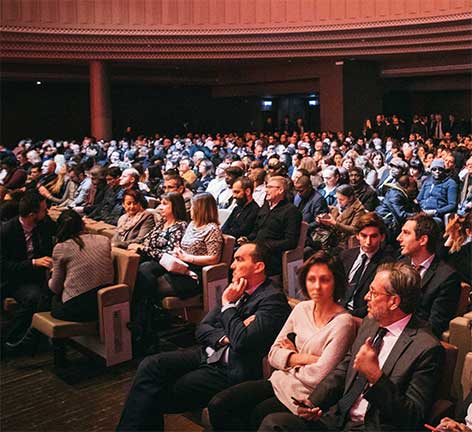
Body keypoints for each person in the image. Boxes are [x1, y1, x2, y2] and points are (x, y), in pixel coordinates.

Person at [116, 242, 291, 431]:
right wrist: (228, 335)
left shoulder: (272, 300)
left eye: (239, 260)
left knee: (156, 393)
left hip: (230, 368)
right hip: (207, 353)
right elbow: (202, 328)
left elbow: (242, 342)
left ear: (259, 266)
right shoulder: (236, 290)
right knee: (150, 365)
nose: (232, 265)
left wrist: (228, 306)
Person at [259, 262, 443, 432]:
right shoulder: (371, 323)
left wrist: (375, 377)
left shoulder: (426, 348)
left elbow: (412, 417)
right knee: (273, 423)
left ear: (393, 302)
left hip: (373, 427)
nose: (366, 297)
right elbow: (344, 368)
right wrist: (314, 402)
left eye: (373, 293)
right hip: (337, 419)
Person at [208, 251, 357, 431]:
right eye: (311, 280)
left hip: (305, 396)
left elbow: (319, 376)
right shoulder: (302, 308)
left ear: (336, 283)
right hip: (278, 381)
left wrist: (289, 358)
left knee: (257, 414)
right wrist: (305, 358)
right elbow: (272, 354)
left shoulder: (344, 322)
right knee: (219, 403)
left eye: (324, 280)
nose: (317, 286)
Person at [127, 193, 189, 351]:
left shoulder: (180, 226)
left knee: (143, 271)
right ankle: (143, 322)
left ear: (175, 206)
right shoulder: (161, 223)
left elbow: (169, 253)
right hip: (150, 261)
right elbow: (146, 240)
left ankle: (142, 325)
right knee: (138, 270)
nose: (161, 207)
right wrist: (140, 247)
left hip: (165, 264)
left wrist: (143, 249)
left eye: (165, 204)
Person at [1, 191, 55, 348]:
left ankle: (40, 337)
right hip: (15, 279)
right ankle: (10, 341)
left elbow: (59, 232)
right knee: (34, 298)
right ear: (32, 215)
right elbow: (4, 267)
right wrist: (33, 263)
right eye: (44, 210)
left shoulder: (44, 223)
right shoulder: (6, 232)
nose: (47, 213)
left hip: (38, 276)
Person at [397, 213, 461, 337]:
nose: (399, 238)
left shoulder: (447, 277)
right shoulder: (400, 264)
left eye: (406, 233)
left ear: (423, 240)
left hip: (414, 338)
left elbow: (435, 325)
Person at [48, 210, 114, 321]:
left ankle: (36, 335)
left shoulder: (61, 248)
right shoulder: (104, 240)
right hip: (105, 302)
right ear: (82, 224)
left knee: (47, 298)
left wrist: (51, 272)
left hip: (78, 308)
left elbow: (55, 287)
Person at [246, 176, 302, 279]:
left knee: (245, 263)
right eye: (266, 187)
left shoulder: (291, 211)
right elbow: (256, 229)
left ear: (280, 190)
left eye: (270, 187)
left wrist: (266, 245)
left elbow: (291, 242)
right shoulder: (266, 206)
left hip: (273, 255)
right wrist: (248, 239)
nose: (266, 190)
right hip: (257, 248)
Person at [339, 213, 394, 317]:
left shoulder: (387, 265)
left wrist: (346, 315)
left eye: (373, 236)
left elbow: (378, 301)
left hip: (360, 317)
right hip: (336, 309)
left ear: (382, 237)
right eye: (364, 236)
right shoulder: (345, 256)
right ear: (357, 235)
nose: (368, 242)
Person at [316, 184, 366, 250]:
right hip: (330, 237)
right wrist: (322, 220)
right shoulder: (336, 206)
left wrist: (335, 223)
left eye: (341, 199)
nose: (338, 202)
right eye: (337, 198)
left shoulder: (359, 210)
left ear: (350, 198)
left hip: (343, 241)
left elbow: (353, 229)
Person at [417, 158, 458, 223]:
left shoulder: (450, 183)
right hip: (423, 211)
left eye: (440, 169)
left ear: (444, 170)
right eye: (434, 169)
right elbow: (419, 198)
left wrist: (436, 211)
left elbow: (452, 205)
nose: (437, 171)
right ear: (431, 170)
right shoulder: (427, 181)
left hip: (437, 215)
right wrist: (422, 207)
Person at [222, 176, 260, 241]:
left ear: (248, 191)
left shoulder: (255, 210)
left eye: (237, 192)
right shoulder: (237, 208)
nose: (234, 196)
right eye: (233, 192)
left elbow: (242, 231)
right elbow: (225, 227)